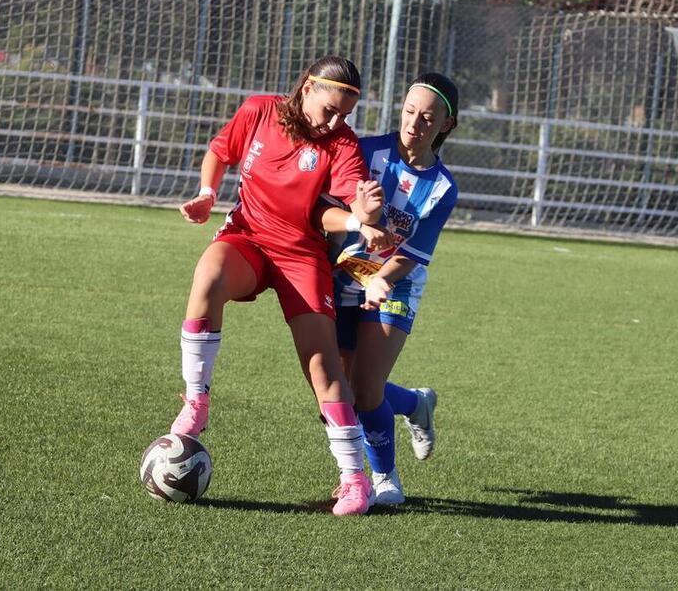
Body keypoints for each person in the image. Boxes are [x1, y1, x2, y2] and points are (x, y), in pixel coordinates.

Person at [168, 56, 386, 516]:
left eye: (346, 113)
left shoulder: (342, 144)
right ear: (307, 87)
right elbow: (220, 152)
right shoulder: (258, 111)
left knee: (323, 368)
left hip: (302, 254)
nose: (337, 120)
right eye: (330, 108)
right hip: (248, 236)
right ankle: (196, 401)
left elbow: (339, 206)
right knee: (207, 275)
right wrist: (208, 193)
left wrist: (360, 215)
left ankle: (354, 480)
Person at [316, 72, 460, 506]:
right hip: (344, 277)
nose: (414, 123)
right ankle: (415, 405)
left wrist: (381, 278)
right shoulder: (365, 150)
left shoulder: (442, 188)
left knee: (366, 387)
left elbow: (414, 252)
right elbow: (329, 206)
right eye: (409, 111)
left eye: (427, 117)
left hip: (395, 283)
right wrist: (358, 213)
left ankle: (385, 479)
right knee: (344, 386)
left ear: (445, 126)